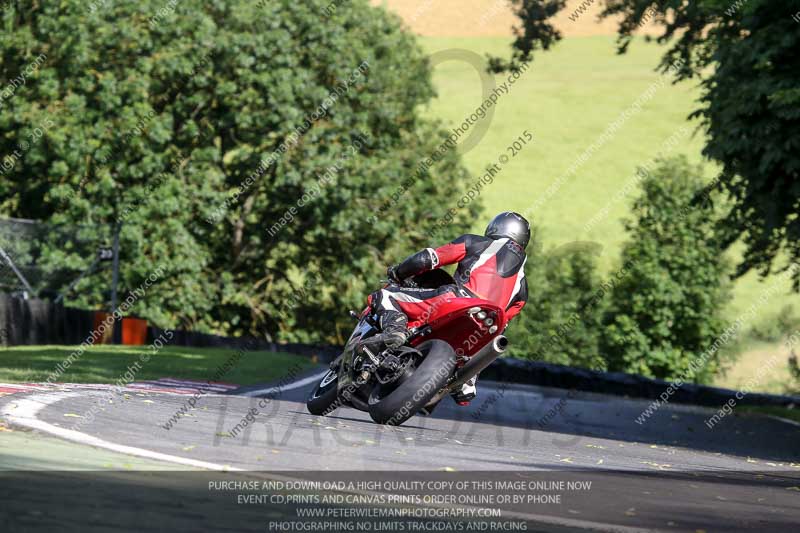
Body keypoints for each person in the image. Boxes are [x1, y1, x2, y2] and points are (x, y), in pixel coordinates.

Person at [359, 212, 530, 405]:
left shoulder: (476, 243)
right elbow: (502, 327)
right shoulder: (523, 289)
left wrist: (398, 272)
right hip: (487, 327)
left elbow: (427, 259)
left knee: (385, 296)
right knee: (491, 334)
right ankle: (467, 381)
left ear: (496, 227)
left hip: (455, 300)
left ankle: (395, 330)